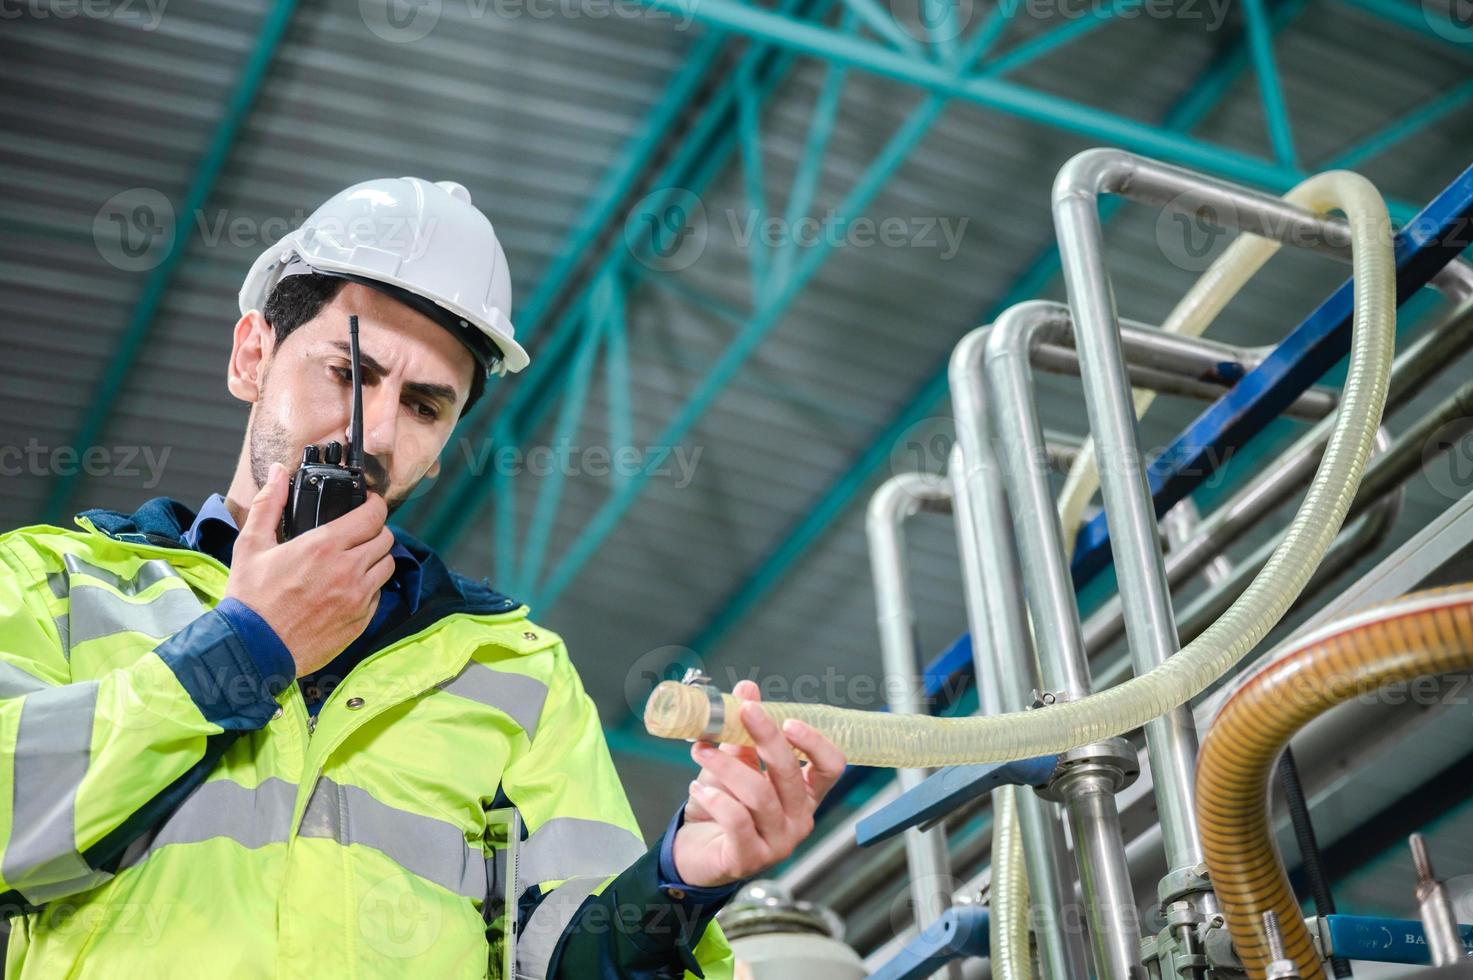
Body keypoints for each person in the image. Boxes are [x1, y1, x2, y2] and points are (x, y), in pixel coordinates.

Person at [0, 177, 846, 978]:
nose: (371, 433)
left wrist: (677, 881)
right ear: (252, 356)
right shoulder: (54, 584)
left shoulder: (514, 672)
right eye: (348, 373)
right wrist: (245, 648)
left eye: (424, 405)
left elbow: (564, 957)